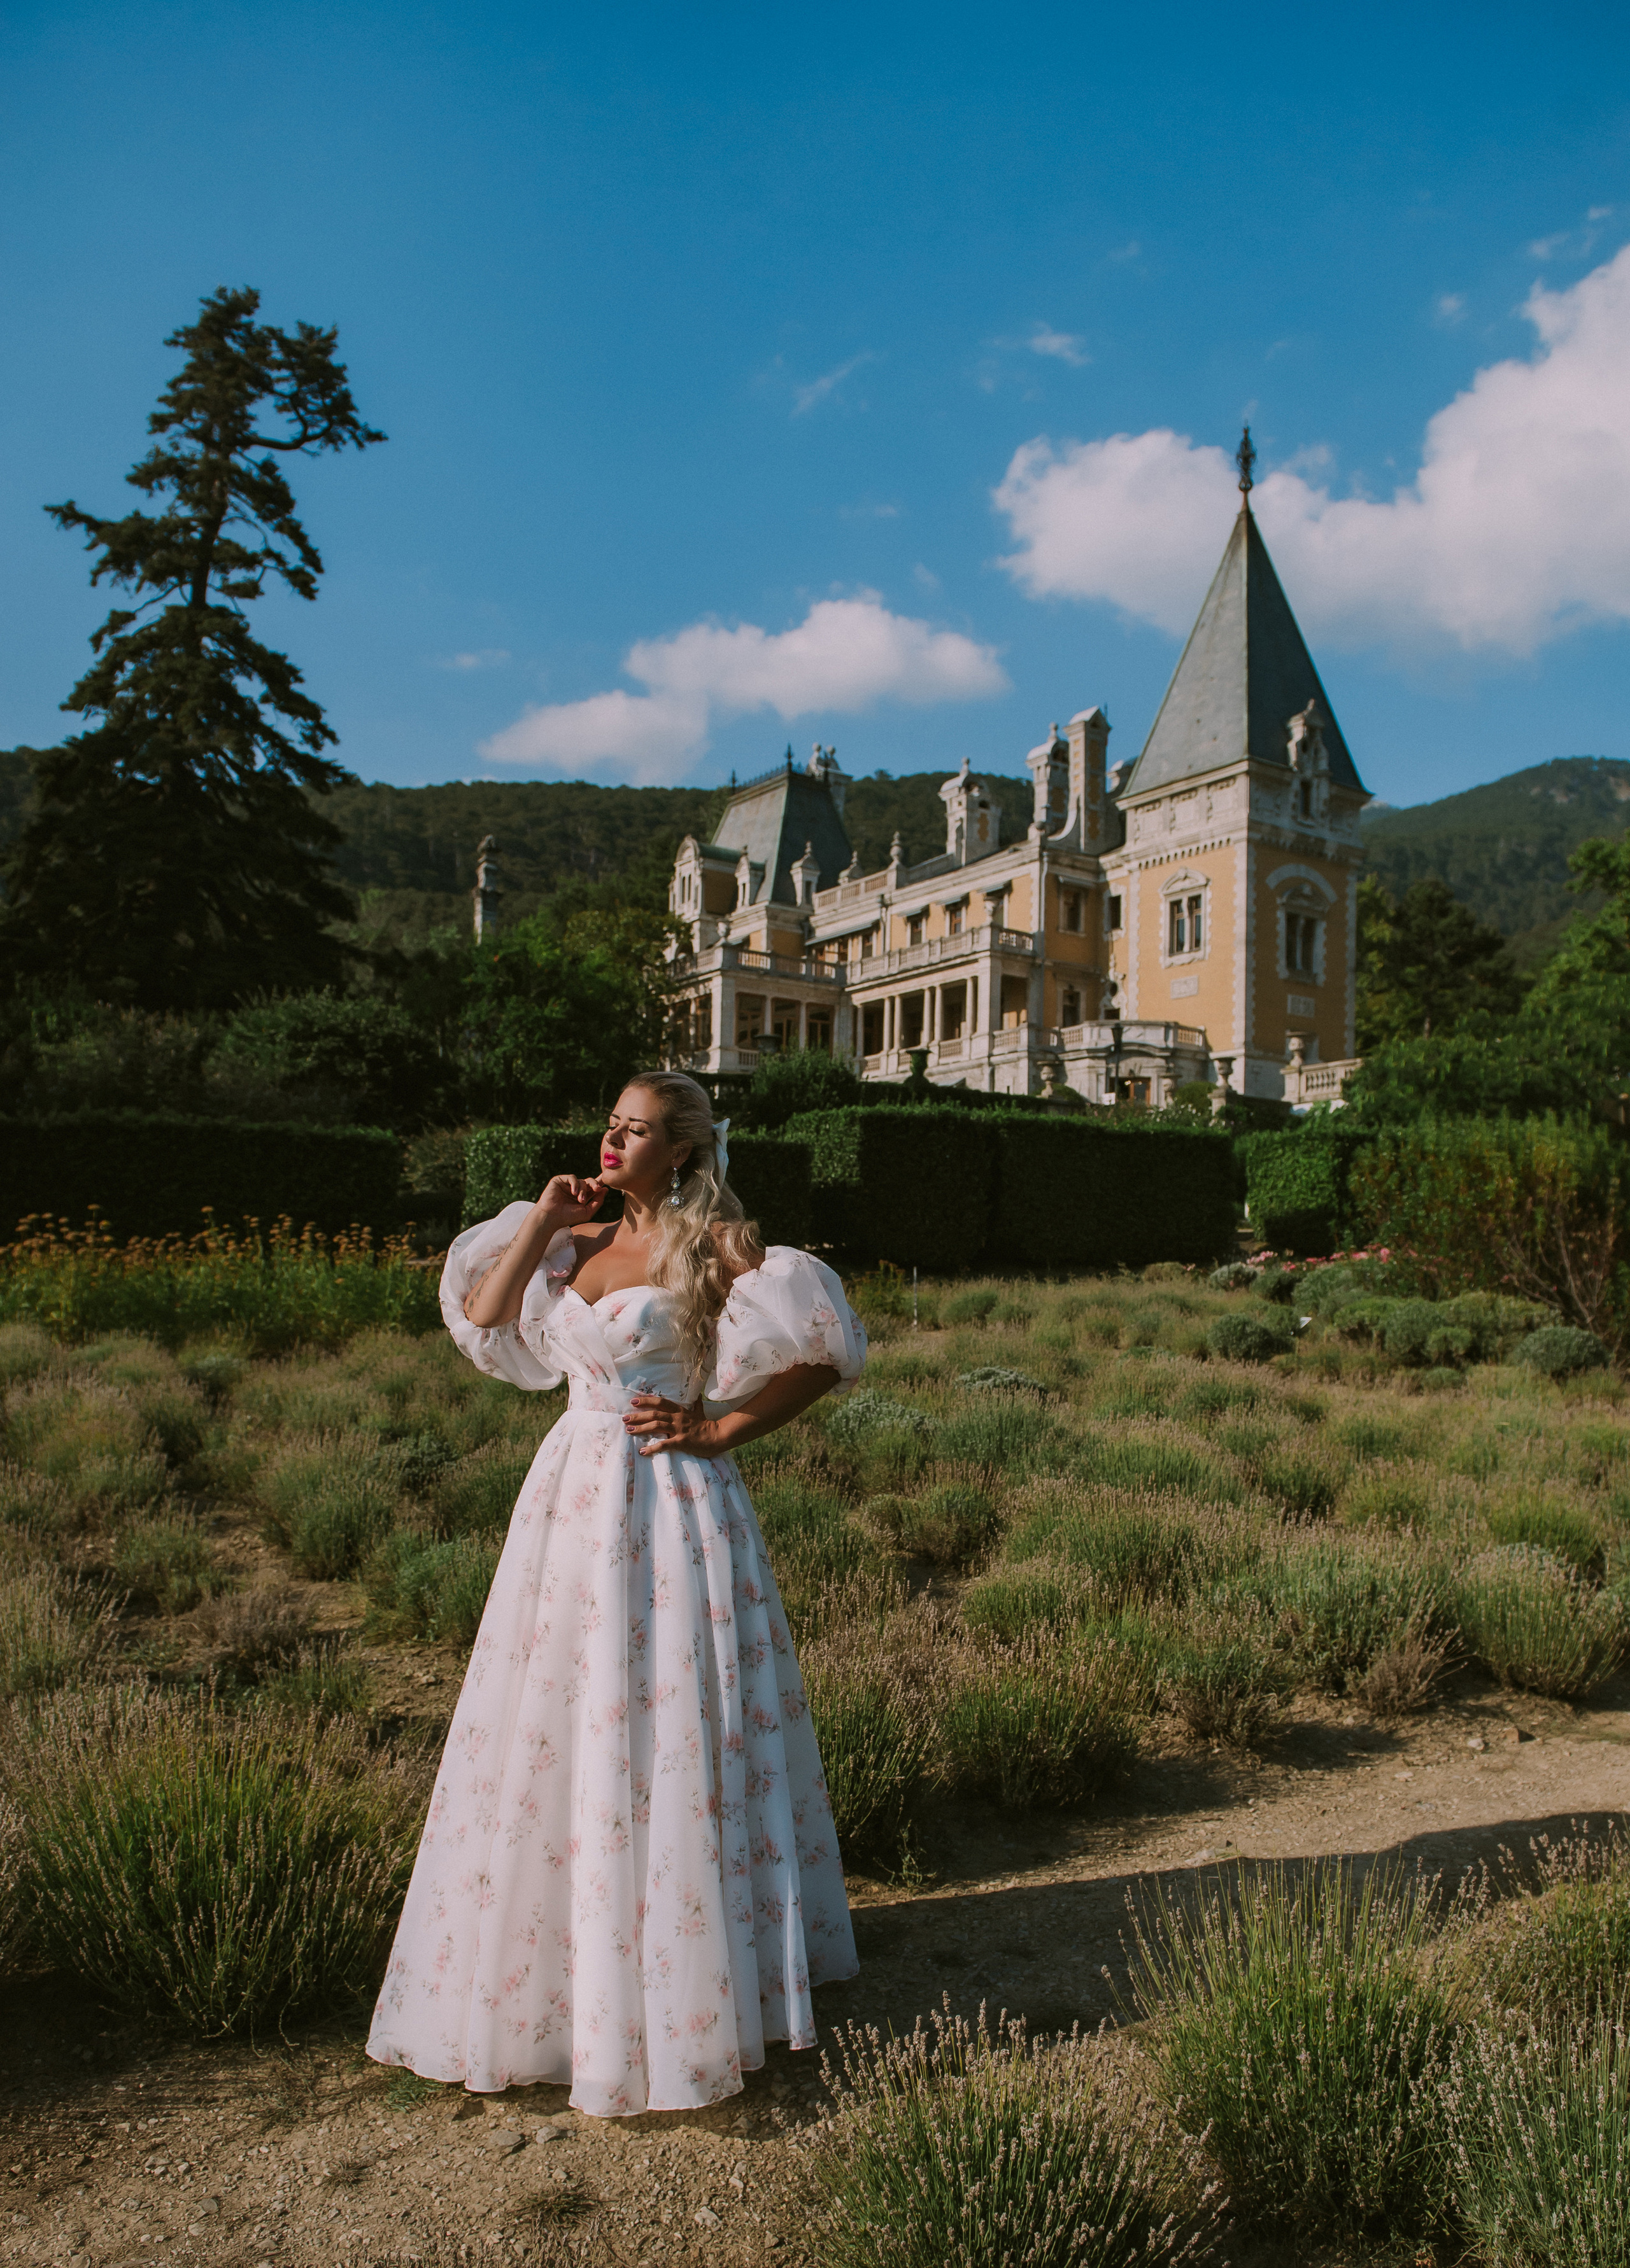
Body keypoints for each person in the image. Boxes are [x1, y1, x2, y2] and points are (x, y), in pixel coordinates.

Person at [366, 1070, 866, 2116]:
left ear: (680, 1150)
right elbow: (485, 1319)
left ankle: (689, 1978)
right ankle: (559, 1983)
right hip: (569, 1501)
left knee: (674, 1721)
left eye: (636, 1131)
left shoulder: (716, 1245)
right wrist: (546, 1216)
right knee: (557, 1722)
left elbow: (825, 1350)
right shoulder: (568, 1238)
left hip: (675, 1501)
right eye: (612, 1124)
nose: (612, 1141)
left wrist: (720, 1427)